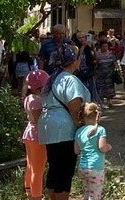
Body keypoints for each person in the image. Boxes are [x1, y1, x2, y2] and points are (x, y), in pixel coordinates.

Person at [38, 43, 91, 200]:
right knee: (64, 172)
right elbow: (75, 109)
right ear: (74, 61)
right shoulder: (70, 80)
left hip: (49, 128)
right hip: (63, 130)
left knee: (54, 169)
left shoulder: (53, 78)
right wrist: (84, 129)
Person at [74, 103, 112, 200]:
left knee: (87, 192)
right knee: (95, 195)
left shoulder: (79, 131)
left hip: (83, 167)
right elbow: (102, 147)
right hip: (96, 167)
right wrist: (108, 147)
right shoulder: (100, 130)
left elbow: (76, 151)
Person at [23, 70, 49, 200]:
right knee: (38, 170)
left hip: (29, 134)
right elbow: (40, 121)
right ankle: (37, 196)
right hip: (38, 137)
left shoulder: (28, 98)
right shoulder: (38, 101)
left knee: (30, 166)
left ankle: (29, 192)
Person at [73, 32, 100, 105]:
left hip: (89, 73)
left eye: (83, 37)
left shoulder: (88, 48)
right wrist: (82, 47)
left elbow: (97, 59)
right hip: (80, 75)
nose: (82, 39)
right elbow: (77, 59)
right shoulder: (74, 48)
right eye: (79, 38)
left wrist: (93, 48)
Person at [95, 41, 116, 108]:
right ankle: (101, 102)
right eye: (103, 46)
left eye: (106, 46)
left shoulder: (111, 54)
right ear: (101, 47)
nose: (105, 48)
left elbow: (114, 62)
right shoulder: (98, 54)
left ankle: (109, 100)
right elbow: (95, 63)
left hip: (109, 74)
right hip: (100, 74)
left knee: (109, 88)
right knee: (101, 88)